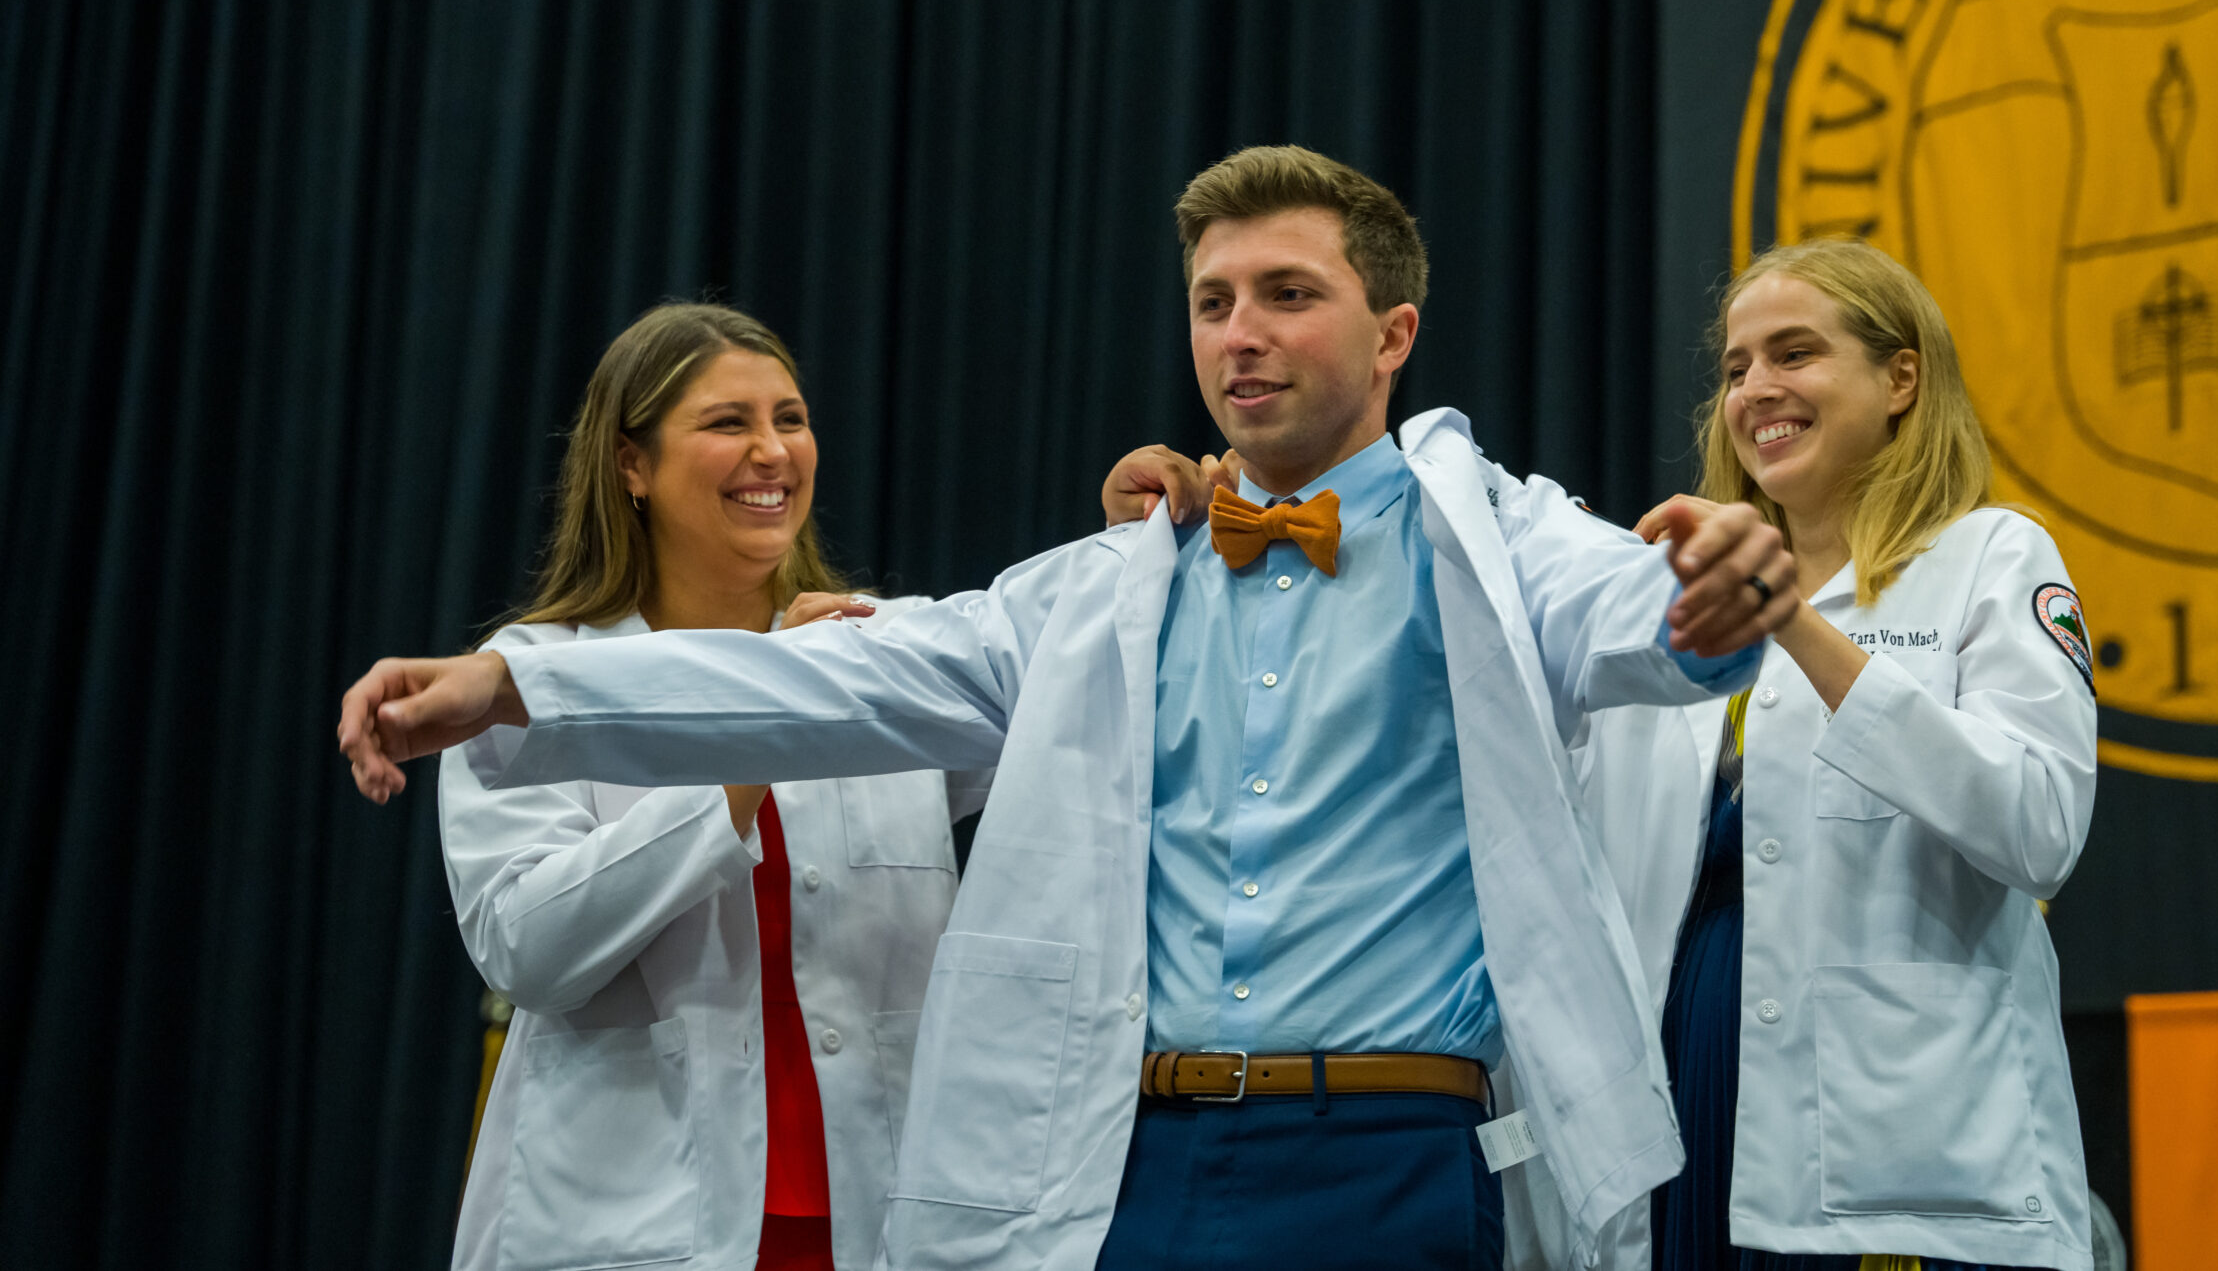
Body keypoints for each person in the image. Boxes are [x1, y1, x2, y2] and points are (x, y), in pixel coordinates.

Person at [338, 147, 1802, 1271]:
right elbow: (819, 672)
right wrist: (513, 682)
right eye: (1215, 301)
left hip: (1384, 1139)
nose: (1242, 333)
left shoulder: (1494, 536)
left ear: (1394, 331)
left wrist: (1710, 604)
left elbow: (1639, 618)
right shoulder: (1115, 584)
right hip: (1131, 1154)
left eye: (1290, 295)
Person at [1589, 241, 2098, 1271]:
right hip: (1691, 1110)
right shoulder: (1671, 601)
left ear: (1901, 377)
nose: (1755, 390)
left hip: (1909, 1158)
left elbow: (2039, 827)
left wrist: (1800, 629)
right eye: (1735, 368)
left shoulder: (1989, 558)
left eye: (1794, 354)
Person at [442, 303, 978, 1271]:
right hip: (637, 1225)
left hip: (880, 1213)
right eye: (728, 424)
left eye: (791, 419)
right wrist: (764, 729)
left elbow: (1070, 713)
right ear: (630, 464)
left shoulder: (885, 652)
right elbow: (527, 950)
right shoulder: (529, 677)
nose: (772, 452)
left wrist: (1128, 548)